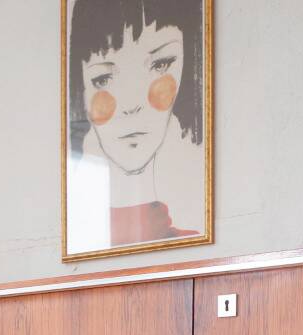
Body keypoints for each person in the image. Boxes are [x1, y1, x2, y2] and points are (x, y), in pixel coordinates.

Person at [66, 0, 206, 254]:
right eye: (103, 78)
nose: (131, 104)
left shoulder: (191, 239)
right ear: (82, 90)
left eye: (160, 65)